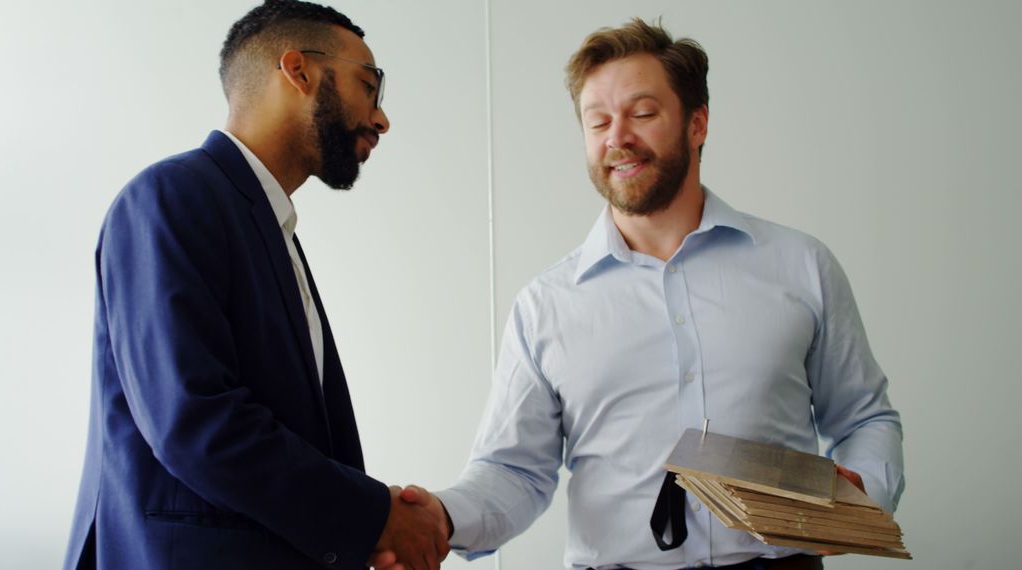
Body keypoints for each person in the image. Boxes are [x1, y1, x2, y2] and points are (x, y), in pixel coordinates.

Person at [386, 17, 904, 570]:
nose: (617, 137)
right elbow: (514, 471)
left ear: (697, 123)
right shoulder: (546, 306)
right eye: (598, 121)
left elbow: (863, 418)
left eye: (642, 113)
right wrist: (442, 516)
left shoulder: (802, 266)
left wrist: (862, 493)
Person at [63, 1, 449, 569]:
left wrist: (362, 530)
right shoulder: (171, 197)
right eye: (369, 86)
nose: (381, 118)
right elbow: (194, 421)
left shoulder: (271, 228)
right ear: (299, 72)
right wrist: (374, 517)